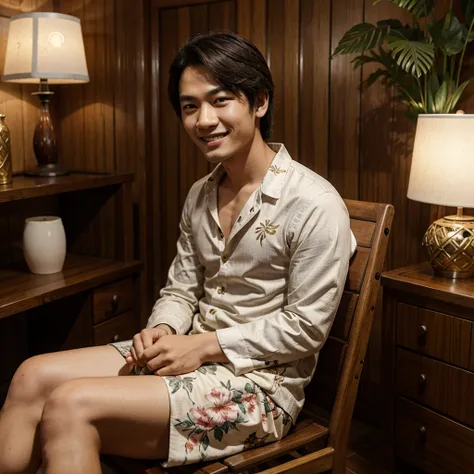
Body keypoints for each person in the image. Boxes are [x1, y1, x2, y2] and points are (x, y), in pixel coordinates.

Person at [0, 32, 354, 474]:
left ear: (259, 101)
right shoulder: (200, 195)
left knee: (71, 405)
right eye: (189, 106)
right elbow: (182, 288)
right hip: (188, 351)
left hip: (260, 386)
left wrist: (204, 347)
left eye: (220, 100)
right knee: (31, 375)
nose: (204, 120)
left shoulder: (315, 203)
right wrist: (162, 326)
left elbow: (306, 328)